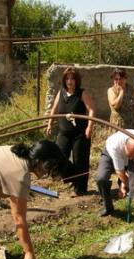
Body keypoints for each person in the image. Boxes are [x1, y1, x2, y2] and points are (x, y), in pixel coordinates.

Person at [46, 66, 96, 197]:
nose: (70, 81)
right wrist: (50, 123)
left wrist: (89, 126)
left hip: (80, 133)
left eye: (72, 79)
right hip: (64, 132)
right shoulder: (61, 92)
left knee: (80, 160)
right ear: (64, 80)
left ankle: (80, 189)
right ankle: (73, 178)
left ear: (76, 80)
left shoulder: (82, 93)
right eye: (67, 79)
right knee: (58, 156)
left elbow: (91, 110)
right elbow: (54, 109)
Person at [96, 130, 134, 217]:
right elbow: (119, 171)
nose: (130, 157)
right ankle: (108, 207)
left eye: (133, 155)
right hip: (111, 155)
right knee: (101, 178)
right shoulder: (115, 145)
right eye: (129, 154)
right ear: (125, 145)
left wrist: (125, 184)